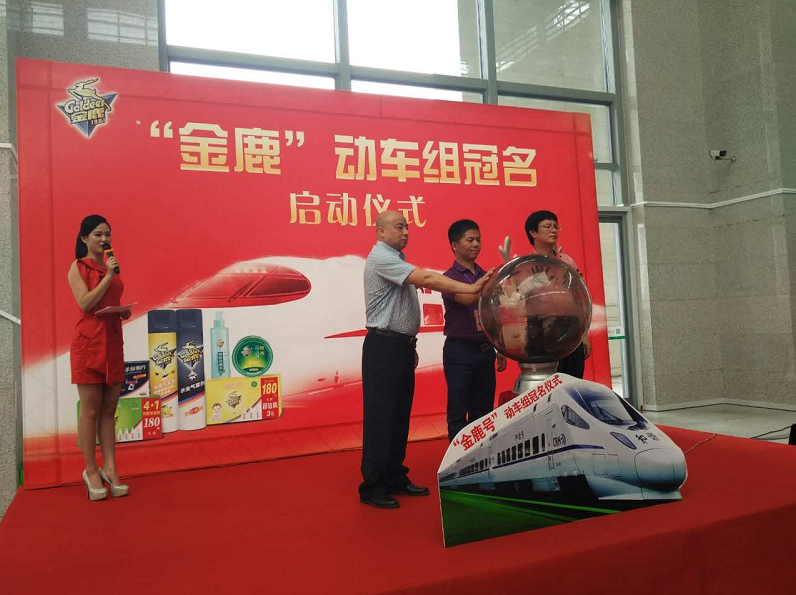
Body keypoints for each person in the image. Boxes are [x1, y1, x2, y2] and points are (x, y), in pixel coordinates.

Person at [360, 210, 493, 509]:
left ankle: (394, 475)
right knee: (382, 417)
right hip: (383, 347)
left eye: (407, 227)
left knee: (399, 415)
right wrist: (472, 287)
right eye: (399, 227)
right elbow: (428, 278)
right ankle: (373, 486)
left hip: (399, 346)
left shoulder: (397, 260)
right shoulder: (381, 258)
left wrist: (409, 344)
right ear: (381, 232)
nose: (405, 232)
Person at [68, 214, 132, 500]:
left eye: (107, 234)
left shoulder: (110, 266)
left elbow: (110, 300)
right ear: (84, 238)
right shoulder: (78, 267)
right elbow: (85, 303)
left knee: (109, 409)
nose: (104, 239)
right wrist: (107, 275)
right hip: (88, 343)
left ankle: (111, 467)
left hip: (112, 341)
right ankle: (91, 470)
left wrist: (123, 311)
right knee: (91, 411)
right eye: (98, 234)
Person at [441, 220, 506, 442]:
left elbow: (495, 312)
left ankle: (482, 457)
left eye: (478, 239)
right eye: (470, 240)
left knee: (484, 412)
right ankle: (458, 459)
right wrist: (492, 286)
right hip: (460, 351)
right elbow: (468, 298)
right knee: (458, 411)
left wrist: (500, 346)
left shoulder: (485, 274)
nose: (476, 244)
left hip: (485, 350)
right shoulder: (448, 278)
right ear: (454, 245)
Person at [524, 210, 591, 377]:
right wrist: (538, 280)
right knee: (547, 382)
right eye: (547, 226)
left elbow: (578, 297)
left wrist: (584, 335)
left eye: (555, 226)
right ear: (533, 233)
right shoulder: (527, 264)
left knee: (572, 380)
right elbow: (519, 296)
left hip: (571, 327)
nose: (553, 230)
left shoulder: (567, 261)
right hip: (541, 329)